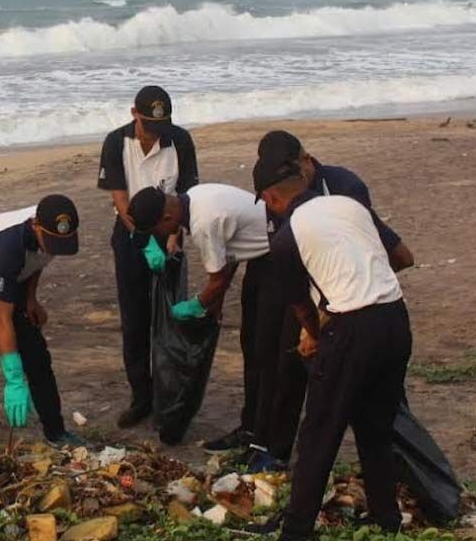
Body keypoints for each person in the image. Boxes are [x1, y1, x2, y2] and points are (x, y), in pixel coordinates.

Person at [253, 154, 414, 541]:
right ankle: (385, 517)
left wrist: (312, 334)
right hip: (395, 318)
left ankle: (297, 529)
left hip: (352, 329)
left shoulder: (286, 238)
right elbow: (403, 257)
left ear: (272, 198)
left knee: (319, 432)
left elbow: (301, 309)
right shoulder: (350, 204)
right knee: (375, 427)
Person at [125, 183, 270, 443]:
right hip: (267, 247)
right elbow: (229, 256)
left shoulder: (203, 223)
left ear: (167, 217)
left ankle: (258, 433)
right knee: (254, 343)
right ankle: (254, 426)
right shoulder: (195, 196)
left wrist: (198, 304)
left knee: (261, 348)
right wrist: (216, 303)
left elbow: (216, 279)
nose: (157, 235)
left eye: (155, 229)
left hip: (275, 254)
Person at [97, 85, 199, 429]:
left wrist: (172, 237)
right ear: (134, 114)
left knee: (170, 321)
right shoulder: (116, 142)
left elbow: (186, 196)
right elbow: (120, 199)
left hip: (169, 232)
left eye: (162, 127)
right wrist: (144, 241)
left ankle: (168, 395)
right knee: (135, 319)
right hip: (129, 236)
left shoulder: (180, 140)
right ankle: (141, 396)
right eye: (149, 126)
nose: (156, 134)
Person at [0, 195, 85, 451]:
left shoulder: (57, 235)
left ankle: (56, 433)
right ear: (36, 225)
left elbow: (36, 262)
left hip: (18, 277)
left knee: (38, 357)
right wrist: (13, 379)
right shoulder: (8, 242)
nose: (55, 248)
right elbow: (2, 318)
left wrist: (31, 299)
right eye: (51, 242)